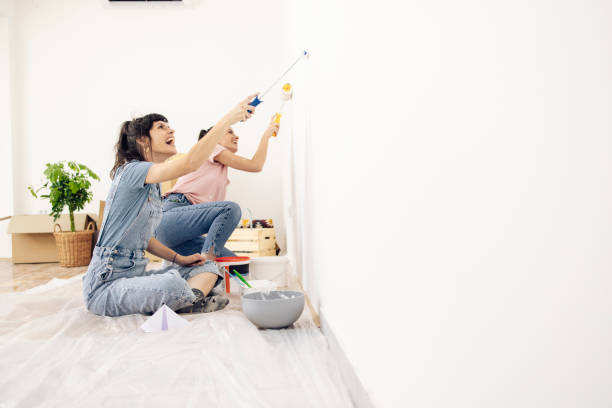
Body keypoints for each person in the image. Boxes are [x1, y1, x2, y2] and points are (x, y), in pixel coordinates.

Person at [82, 94, 257, 317]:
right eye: (161, 127)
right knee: (171, 285)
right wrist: (228, 119)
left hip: (134, 278)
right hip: (105, 286)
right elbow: (190, 163)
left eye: (169, 126)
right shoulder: (131, 170)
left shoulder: (153, 187)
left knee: (208, 266)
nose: (171, 131)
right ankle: (188, 297)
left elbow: (146, 239)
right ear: (143, 141)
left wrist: (180, 259)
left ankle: (189, 299)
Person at [155, 115, 280, 258]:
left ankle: (204, 267)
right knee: (230, 209)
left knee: (234, 264)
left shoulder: (218, 172)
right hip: (171, 215)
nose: (236, 136)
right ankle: (209, 265)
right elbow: (255, 165)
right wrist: (266, 136)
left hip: (180, 236)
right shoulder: (211, 148)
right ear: (215, 137)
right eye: (230, 132)